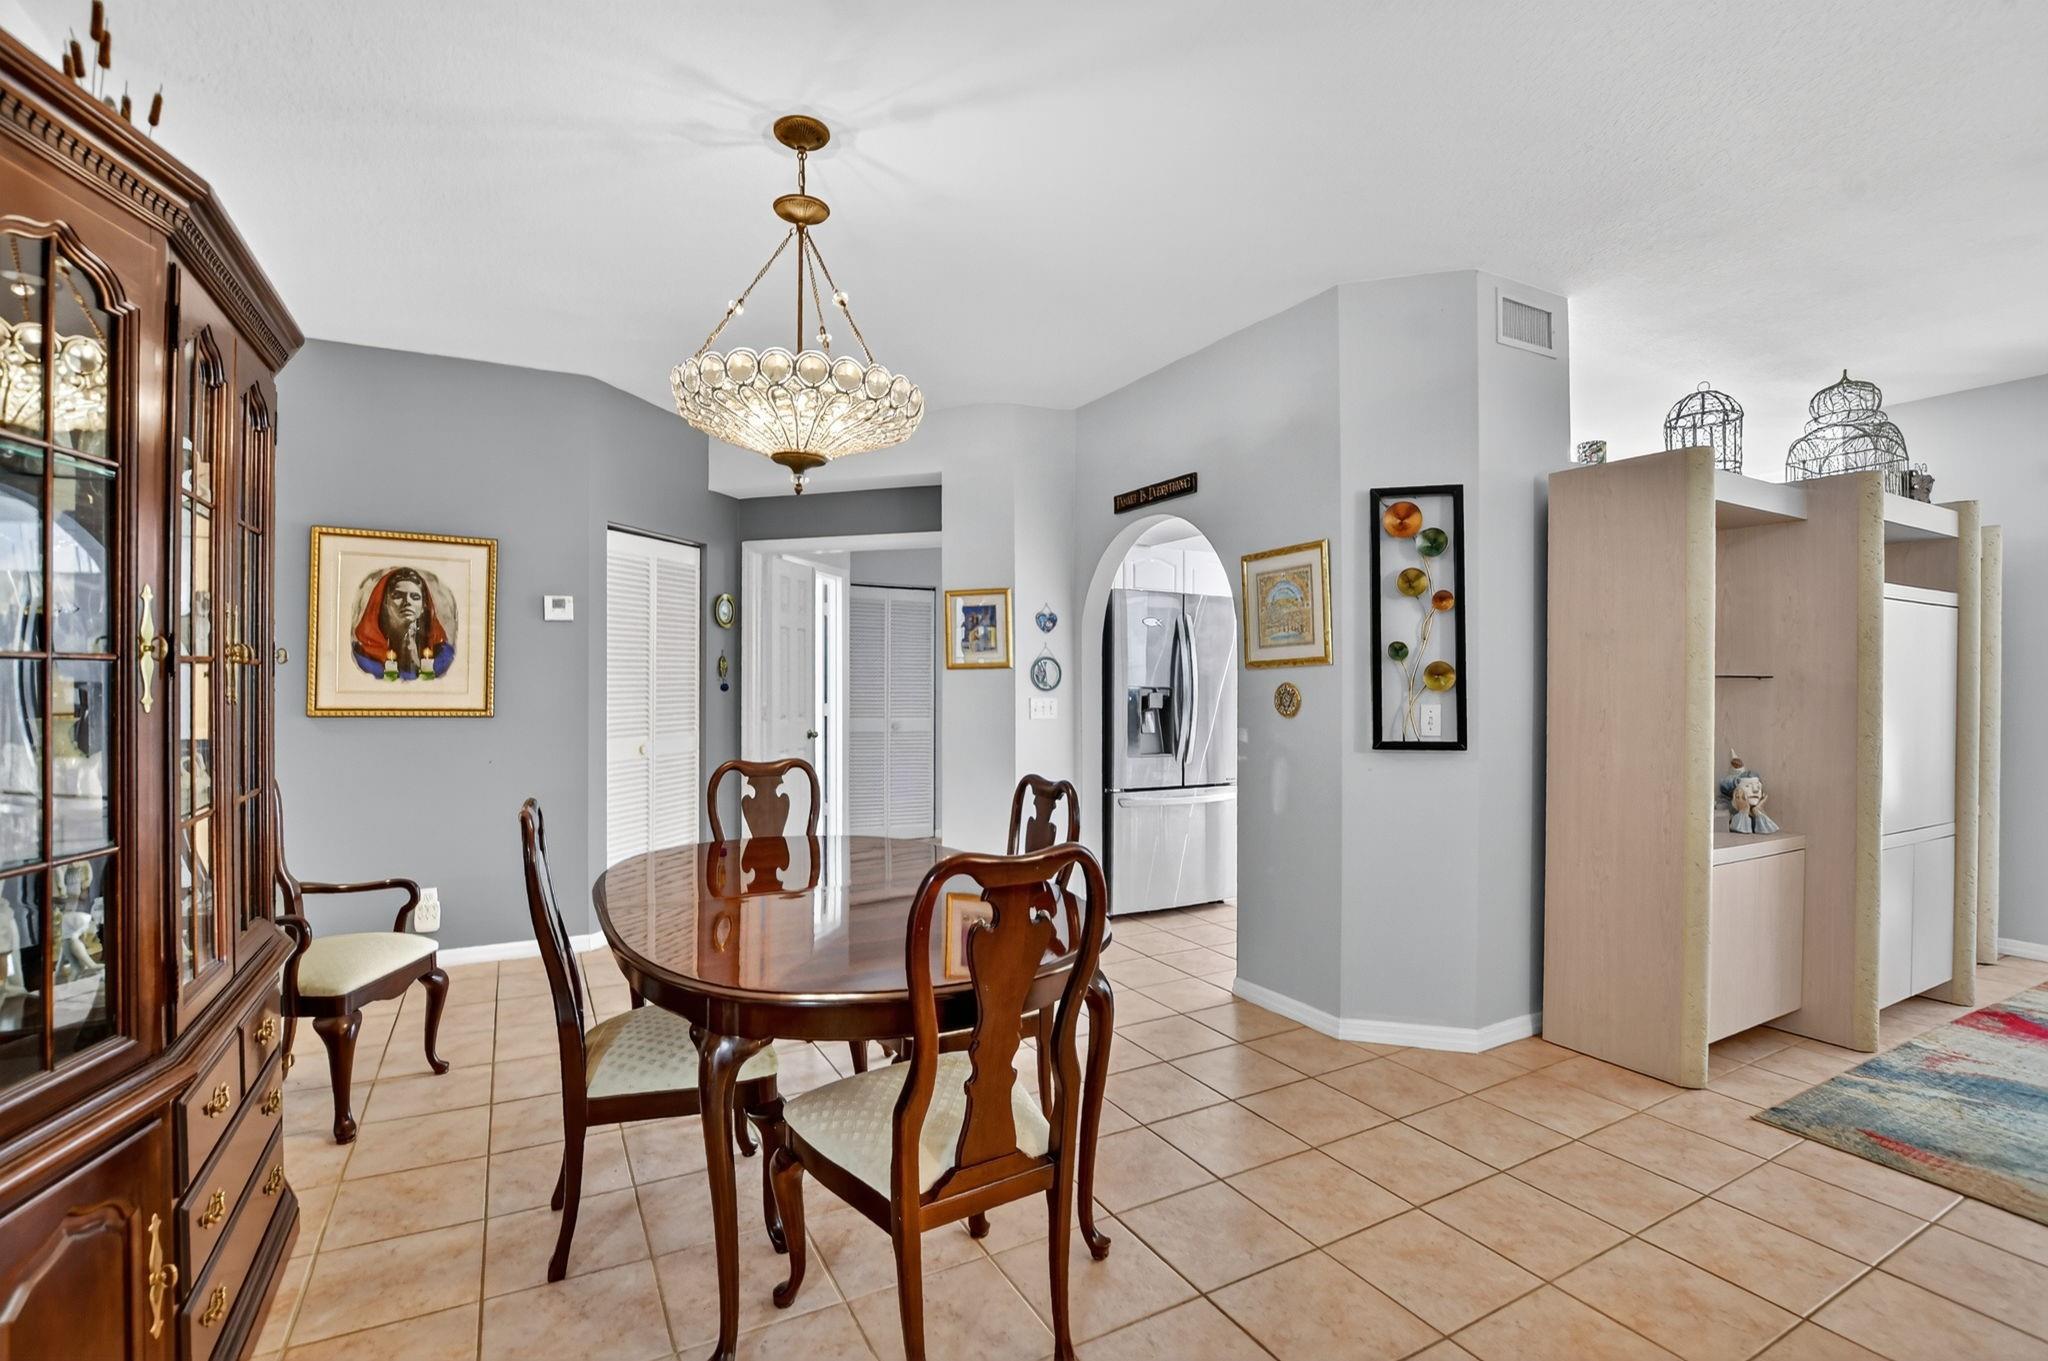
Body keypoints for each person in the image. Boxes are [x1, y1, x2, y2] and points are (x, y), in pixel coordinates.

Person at [352, 567, 454, 681]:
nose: (407, 602)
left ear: (423, 607)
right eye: (397, 595)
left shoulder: (442, 655)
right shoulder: (363, 655)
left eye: (415, 597)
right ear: (384, 603)